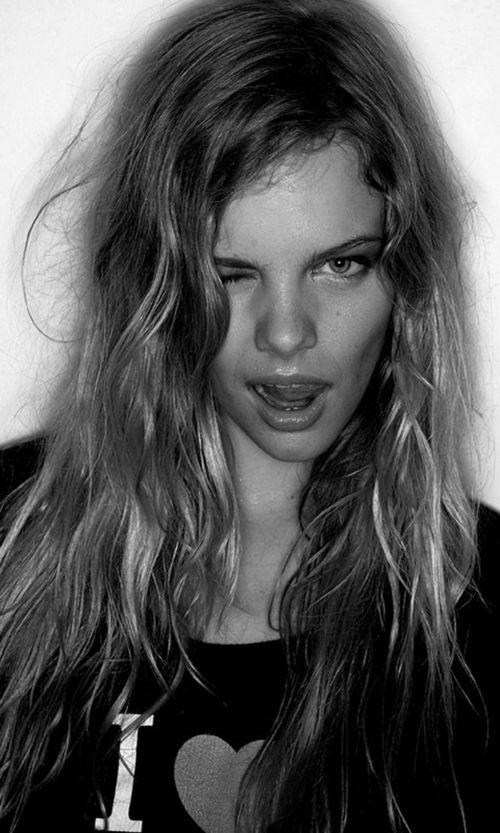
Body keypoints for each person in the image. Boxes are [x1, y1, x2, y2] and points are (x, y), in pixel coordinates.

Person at [0, 0, 498, 831]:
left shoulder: (479, 613)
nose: (287, 334)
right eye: (231, 274)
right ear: (155, 283)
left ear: (406, 276)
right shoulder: (14, 545)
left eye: (342, 264)